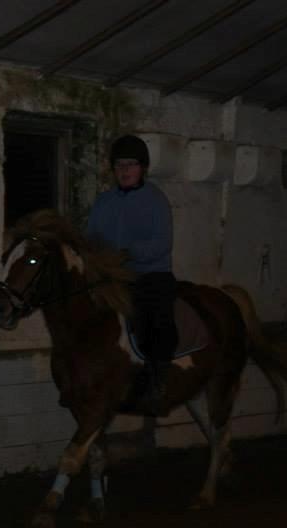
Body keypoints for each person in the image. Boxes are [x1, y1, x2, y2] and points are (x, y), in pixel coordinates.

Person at [87, 134, 178, 414]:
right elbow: (91, 238)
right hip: (112, 277)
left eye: (131, 164)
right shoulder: (103, 203)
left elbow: (161, 244)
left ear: (143, 169)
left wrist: (128, 252)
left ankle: (158, 377)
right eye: (119, 165)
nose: (124, 170)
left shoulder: (156, 201)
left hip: (148, 274)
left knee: (155, 315)